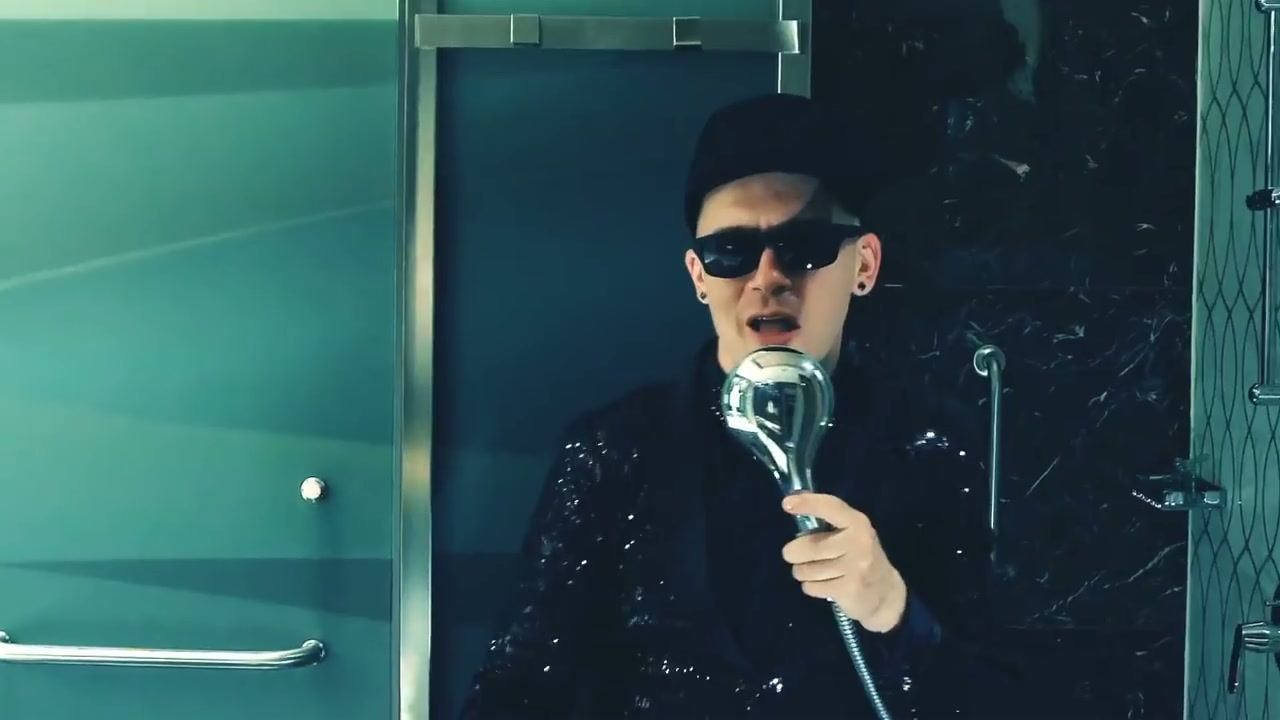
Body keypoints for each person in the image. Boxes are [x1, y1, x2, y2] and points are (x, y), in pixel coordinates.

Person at [460, 94, 1026, 719]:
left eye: (805, 245)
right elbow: (517, 690)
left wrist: (892, 609)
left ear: (864, 264)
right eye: (730, 252)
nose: (767, 277)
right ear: (699, 276)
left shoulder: (933, 445)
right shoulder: (614, 451)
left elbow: (998, 700)